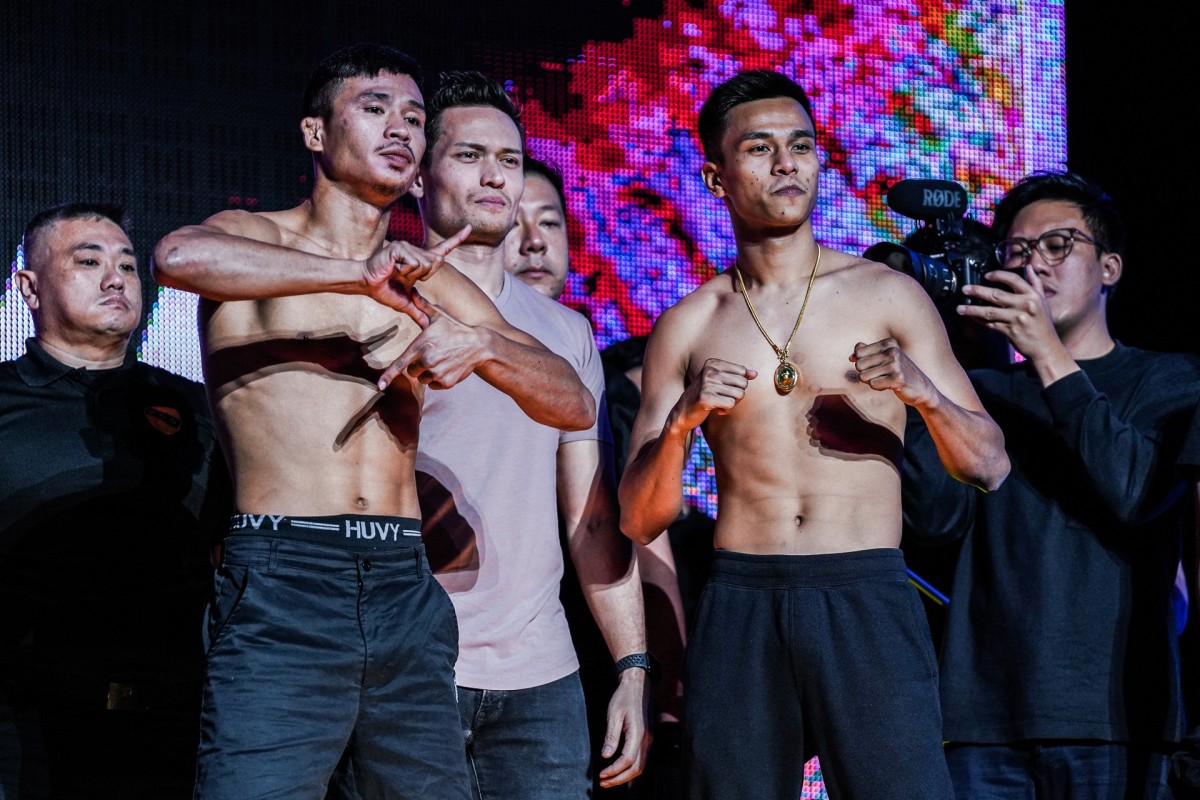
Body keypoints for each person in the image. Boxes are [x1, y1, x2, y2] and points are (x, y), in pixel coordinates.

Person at [150, 44, 595, 800]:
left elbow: (573, 401)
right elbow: (176, 256)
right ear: (315, 132)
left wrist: (486, 347)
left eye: (415, 118)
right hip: (286, 574)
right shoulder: (256, 237)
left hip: (402, 581)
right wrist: (357, 277)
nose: (400, 129)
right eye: (375, 108)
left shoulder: (430, 279)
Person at [618, 69, 1010, 800]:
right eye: (759, 148)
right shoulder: (689, 325)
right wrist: (679, 426)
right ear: (716, 177)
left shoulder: (887, 296)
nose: (786, 164)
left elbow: (989, 465)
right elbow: (641, 519)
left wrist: (922, 393)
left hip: (865, 590)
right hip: (743, 599)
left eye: (801, 146)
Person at [901, 169, 1200, 799]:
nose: (1034, 264)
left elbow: (1135, 493)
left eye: (1058, 245)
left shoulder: (1171, 379)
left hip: (1115, 719)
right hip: (983, 719)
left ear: (1109, 268)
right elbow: (933, 519)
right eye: (1016, 250)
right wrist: (929, 383)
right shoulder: (982, 392)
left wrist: (1046, 355)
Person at [412, 71, 651, 799]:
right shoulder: (382, 300)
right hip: (412, 665)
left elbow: (592, 518)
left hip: (541, 682)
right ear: (418, 173)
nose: (494, 176)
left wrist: (632, 667)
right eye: (469, 155)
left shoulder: (566, 331)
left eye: (509, 160)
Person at [0, 202, 231, 798]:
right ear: (29, 287)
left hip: (176, 728)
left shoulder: (198, 409)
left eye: (128, 266)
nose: (116, 279)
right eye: (88, 262)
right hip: (25, 736)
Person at [505, 157, 683, 797]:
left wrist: (661, 680)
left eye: (550, 222)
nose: (534, 242)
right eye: (515, 222)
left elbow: (645, 537)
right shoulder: (445, 360)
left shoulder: (607, 384)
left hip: (590, 641)